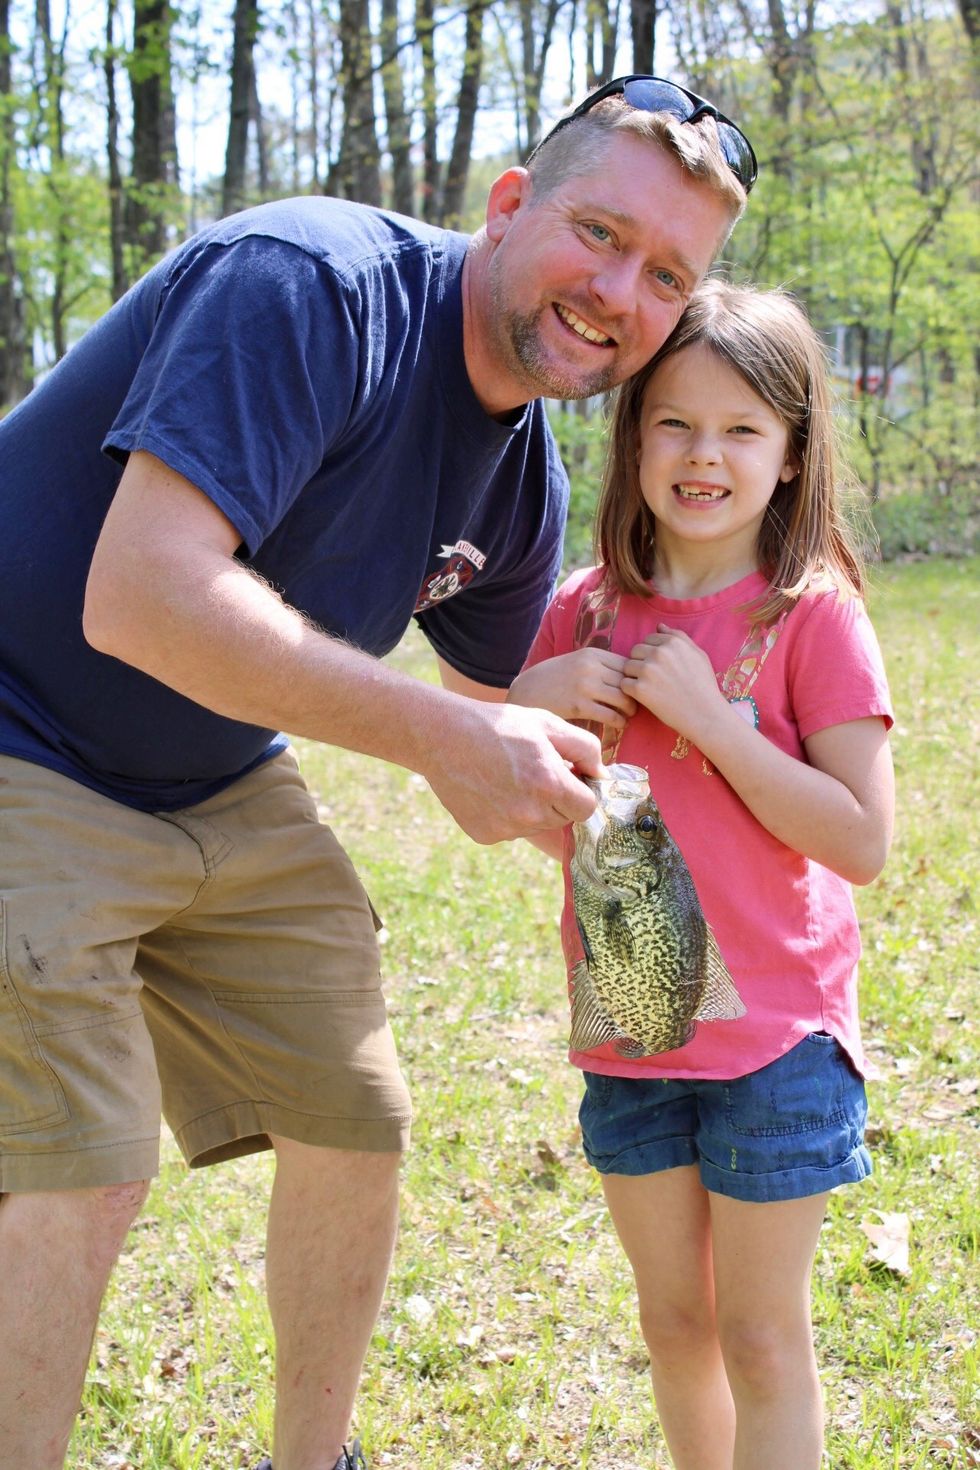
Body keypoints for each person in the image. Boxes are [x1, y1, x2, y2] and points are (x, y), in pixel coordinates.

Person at [0, 78, 757, 1470]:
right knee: (86, 1157)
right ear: (509, 205)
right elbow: (141, 597)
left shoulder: (515, 482)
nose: (618, 290)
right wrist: (442, 734)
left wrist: (698, 922)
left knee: (354, 1110)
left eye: (667, 275)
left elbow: (497, 737)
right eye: (598, 231)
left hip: (214, 772)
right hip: (19, 727)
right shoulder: (312, 292)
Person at [508, 280, 895, 1470]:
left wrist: (715, 728)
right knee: (674, 1324)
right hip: (634, 1023)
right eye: (673, 422)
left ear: (788, 453)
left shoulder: (807, 616)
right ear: (632, 440)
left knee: (760, 1335)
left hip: (774, 1043)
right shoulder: (580, 613)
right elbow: (531, 818)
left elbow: (861, 842)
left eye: (740, 430)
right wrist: (527, 714)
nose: (702, 455)